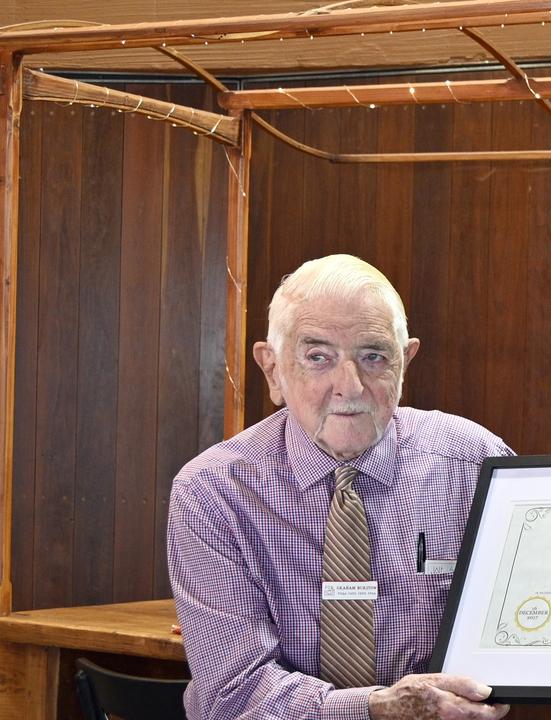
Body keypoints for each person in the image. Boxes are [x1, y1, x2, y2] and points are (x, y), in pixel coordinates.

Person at [168, 254, 511, 720]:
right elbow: (233, 696)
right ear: (272, 370)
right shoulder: (213, 492)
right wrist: (375, 710)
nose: (349, 386)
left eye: (373, 356)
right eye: (318, 357)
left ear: (404, 363)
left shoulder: (474, 463)